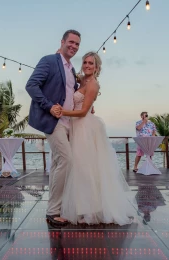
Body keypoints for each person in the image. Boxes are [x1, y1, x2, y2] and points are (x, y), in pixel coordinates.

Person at [56, 52, 135, 225]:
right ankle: (82, 207)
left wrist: (62, 112)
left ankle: (90, 212)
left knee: (86, 169)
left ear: (97, 67)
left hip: (84, 127)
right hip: (76, 127)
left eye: (91, 63)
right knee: (79, 169)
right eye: (85, 62)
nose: (87, 65)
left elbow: (84, 111)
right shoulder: (82, 80)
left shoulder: (93, 84)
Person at [26, 29, 81, 225]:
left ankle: (54, 207)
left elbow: (70, 94)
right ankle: (52, 211)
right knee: (67, 160)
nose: (74, 46)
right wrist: (49, 107)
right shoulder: (49, 60)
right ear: (63, 41)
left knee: (59, 163)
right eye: (71, 42)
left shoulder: (72, 70)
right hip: (54, 122)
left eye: (77, 44)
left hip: (69, 123)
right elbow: (31, 85)